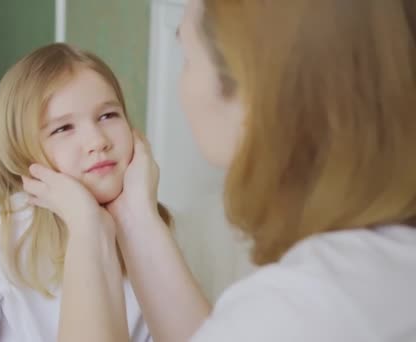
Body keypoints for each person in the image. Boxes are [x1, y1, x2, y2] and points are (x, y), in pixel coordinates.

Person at [24, 0, 416, 341]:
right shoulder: (381, 265)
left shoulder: (304, 308)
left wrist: (87, 233)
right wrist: (134, 216)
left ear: (250, 89)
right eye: (64, 127)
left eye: (188, 59)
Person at [0, 43, 171, 341]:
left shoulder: (153, 227)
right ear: (21, 151)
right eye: (63, 128)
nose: (97, 140)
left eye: (108, 115)